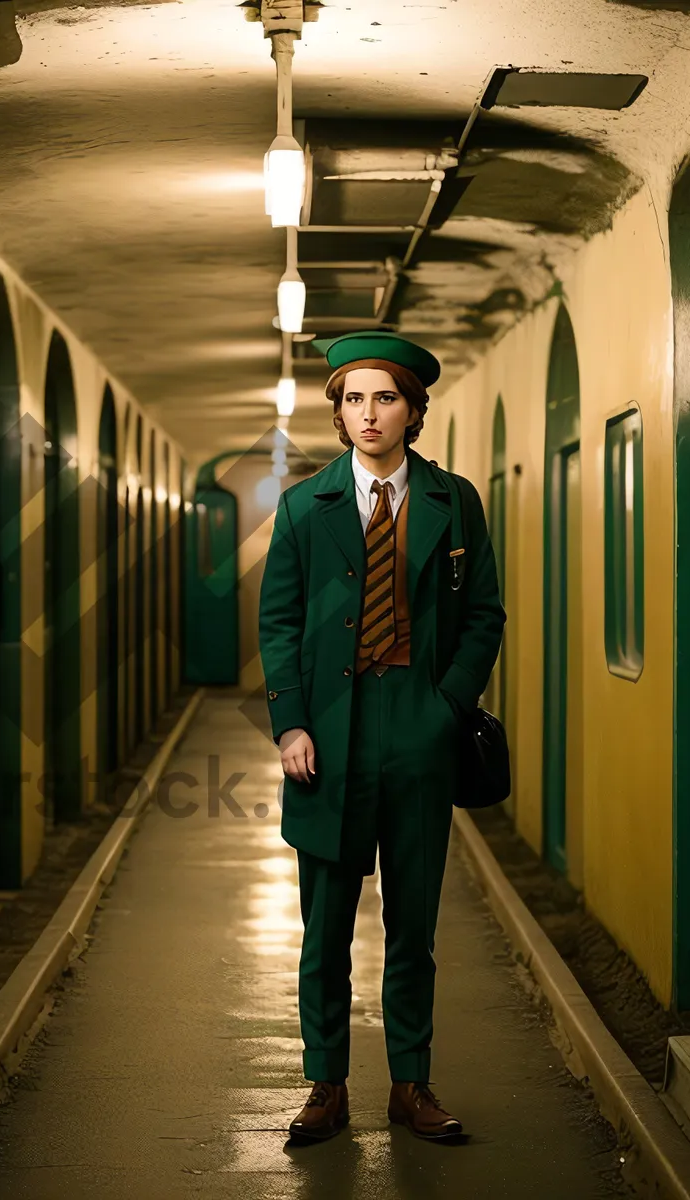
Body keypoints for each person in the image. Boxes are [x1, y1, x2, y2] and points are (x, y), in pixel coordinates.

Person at [257, 331, 504, 1143]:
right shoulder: (304, 507)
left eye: (385, 398)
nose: (369, 414)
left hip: (417, 733)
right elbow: (281, 622)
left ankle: (411, 1083)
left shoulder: (454, 502)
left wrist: (445, 708)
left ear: (413, 410)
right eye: (354, 398)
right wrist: (290, 722)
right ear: (337, 411)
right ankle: (326, 1085)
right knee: (325, 928)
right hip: (328, 741)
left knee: (414, 927)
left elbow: (482, 618)